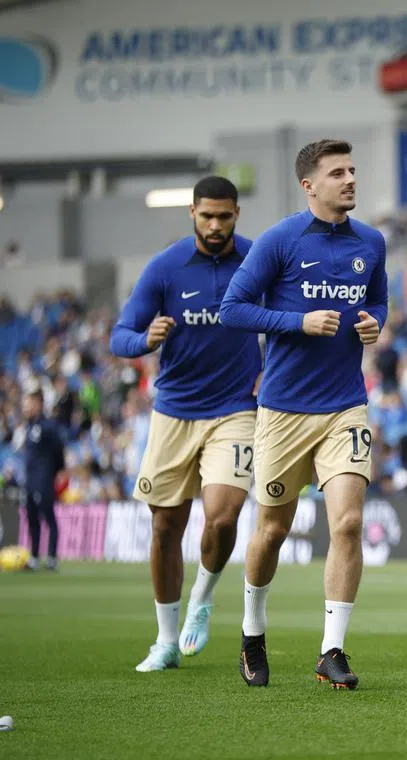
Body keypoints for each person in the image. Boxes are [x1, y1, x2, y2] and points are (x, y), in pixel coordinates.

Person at [220, 139, 388, 689]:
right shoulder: (279, 241)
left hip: (346, 405)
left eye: (353, 171)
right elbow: (233, 309)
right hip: (284, 410)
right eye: (337, 173)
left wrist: (373, 323)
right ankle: (251, 634)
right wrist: (295, 323)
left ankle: (332, 649)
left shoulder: (371, 242)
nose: (350, 180)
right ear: (309, 185)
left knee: (349, 522)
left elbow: (379, 301)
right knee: (272, 529)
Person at [109, 176, 260, 673]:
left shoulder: (257, 260)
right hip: (174, 411)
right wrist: (146, 340)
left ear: (237, 213)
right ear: (191, 214)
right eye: (206, 216)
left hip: (237, 408)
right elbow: (121, 336)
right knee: (165, 526)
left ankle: (203, 596)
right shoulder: (166, 267)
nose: (215, 226)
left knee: (222, 516)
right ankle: (166, 640)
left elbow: (288, 320)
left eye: (225, 216)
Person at [16, 389, 65, 572]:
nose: (26, 407)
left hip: (43, 478)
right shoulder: (29, 426)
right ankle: (35, 556)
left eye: (29, 403)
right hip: (29, 479)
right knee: (31, 518)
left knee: (48, 516)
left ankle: (52, 557)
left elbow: (58, 450)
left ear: (38, 403)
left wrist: (58, 470)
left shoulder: (48, 426)